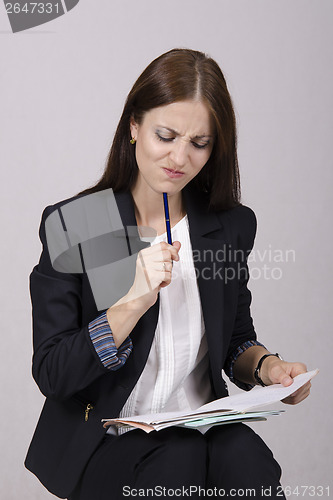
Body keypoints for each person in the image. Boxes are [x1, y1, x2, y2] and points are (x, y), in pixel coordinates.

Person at [25, 48, 312, 500]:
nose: (180, 157)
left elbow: (236, 337)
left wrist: (268, 368)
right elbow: (53, 373)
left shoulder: (230, 226)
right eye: (166, 135)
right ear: (135, 127)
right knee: (175, 464)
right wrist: (131, 302)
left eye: (200, 143)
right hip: (105, 436)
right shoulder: (78, 224)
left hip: (199, 424)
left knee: (249, 462)